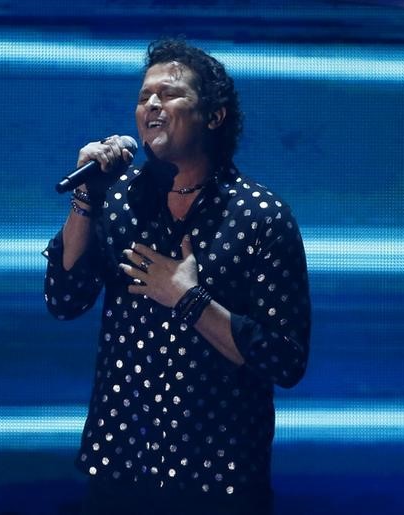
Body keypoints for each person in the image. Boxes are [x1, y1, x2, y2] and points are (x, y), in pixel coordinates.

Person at [43, 38, 311, 515]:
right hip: (120, 466)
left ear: (214, 116)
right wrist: (86, 199)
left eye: (169, 94)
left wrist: (189, 299)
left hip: (218, 477)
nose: (152, 104)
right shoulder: (119, 199)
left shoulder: (260, 217)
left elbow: (284, 359)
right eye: (145, 96)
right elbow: (65, 298)